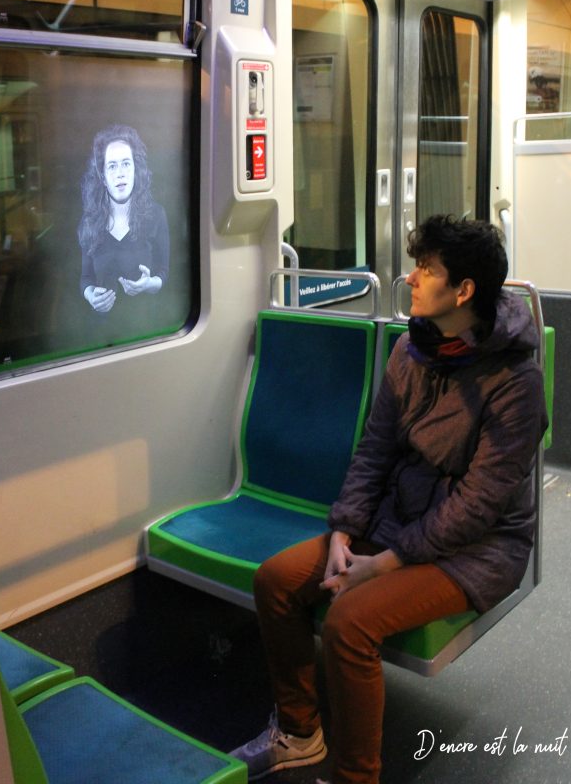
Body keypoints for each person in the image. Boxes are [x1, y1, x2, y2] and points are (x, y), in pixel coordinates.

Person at [230, 215, 548, 784]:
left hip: (479, 547)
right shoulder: (411, 351)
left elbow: (480, 503)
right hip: (397, 518)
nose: (410, 278)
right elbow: (374, 450)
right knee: (276, 582)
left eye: (425, 269)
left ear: (464, 291)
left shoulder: (514, 381)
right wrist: (346, 534)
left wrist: (383, 564)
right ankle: (300, 734)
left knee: (351, 622)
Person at [78, 124, 169, 315]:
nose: (120, 173)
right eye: (112, 166)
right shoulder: (89, 223)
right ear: (102, 177)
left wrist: (149, 284)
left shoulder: (156, 215)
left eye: (126, 163)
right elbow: (85, 278)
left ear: (136, 169)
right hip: (102, 333)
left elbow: (165, 272)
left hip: (146, 327)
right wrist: (91, 296)